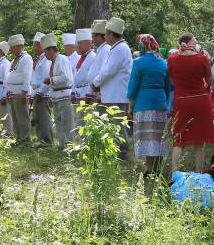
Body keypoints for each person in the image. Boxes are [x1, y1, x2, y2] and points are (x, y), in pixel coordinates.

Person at [167, 34, 214, 172]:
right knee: (200, 141)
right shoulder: (202, 59)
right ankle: (199, 173)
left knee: (179, 140)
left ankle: (175, 174)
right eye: (195, 41)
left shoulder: (172, 59)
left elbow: (172, 81)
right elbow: (210, 80)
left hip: (182, 100)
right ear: (188, 43)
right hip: (200, 100)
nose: (196, 43)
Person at [127, 34, 171, 175]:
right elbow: (167, 86)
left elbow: (133, 86)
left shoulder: (138, 62)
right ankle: (157, 165)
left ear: (142, 46)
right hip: (160, 102)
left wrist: (130, 104)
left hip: (143, 102)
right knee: (158, 135)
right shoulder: (164, 63)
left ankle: (149, 166)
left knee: (147, 135)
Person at [92, 17, 133, 156]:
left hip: (117, 95)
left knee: (118, 125)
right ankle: (113, 151)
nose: (104, 36)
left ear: (111, 34)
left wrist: (95, 82)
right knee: (112, 125)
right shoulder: (117, 48)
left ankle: (122, 152)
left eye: (106, 33)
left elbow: (108, 70)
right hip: (112, 94)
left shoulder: (120, 49)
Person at [42, 34, 75, 151]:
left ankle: (71, 147)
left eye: (45, 51)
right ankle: (62, 147)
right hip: (56, 97)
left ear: (51, 49)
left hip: (64, 96)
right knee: (59, 124)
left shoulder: (62, 59)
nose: (44, 54)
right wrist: (51, 96)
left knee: (67, 124)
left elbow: (66, 78)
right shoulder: (53, 62)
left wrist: (50, 80)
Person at [5, 34, 33, 145]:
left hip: (20, 92)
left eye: (12, 47)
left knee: (22, 117)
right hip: (13, 92)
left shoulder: (26, 58)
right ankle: (19, 138)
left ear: (18, 46)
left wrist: (24, 92)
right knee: (15, 118)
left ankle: (25, 139)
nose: (10, 50)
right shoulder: (15, 60)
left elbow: (27, 75)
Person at [70, 28, 96, 132]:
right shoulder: (80, 58)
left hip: (87, 94)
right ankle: (79, 145)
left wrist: (90, 93)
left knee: (88, 122)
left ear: (88, 43)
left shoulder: (93, 57)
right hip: (78, 94)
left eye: (80, 43)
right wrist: (72, 91)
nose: (78, 45)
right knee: (79, 123)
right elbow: (75, 77)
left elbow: (92, 77)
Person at [29, 33, 54, 144]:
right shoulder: (39, 59)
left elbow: (46, 77)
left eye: (35, 45)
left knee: (44, 117)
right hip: (37, 92)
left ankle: (47, 140)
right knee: (38, 118)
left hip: (43, 93)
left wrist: (40, 92)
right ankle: (41, 139)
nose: (33, 48)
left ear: (40, 45)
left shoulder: (46, 59)